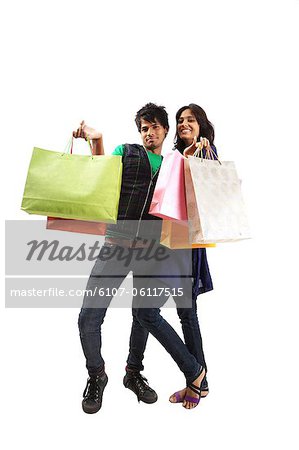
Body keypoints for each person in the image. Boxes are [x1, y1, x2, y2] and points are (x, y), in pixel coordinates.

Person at [74, 103, 206, 413]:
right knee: (89, 317)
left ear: (165, 130)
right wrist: (96, 140)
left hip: (153, 251)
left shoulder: (174, 162)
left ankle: (133, 373)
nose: (149, 132)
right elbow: (102, 173)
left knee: (142, 316)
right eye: (144, 128)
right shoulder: (127, 151)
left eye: (154, 127)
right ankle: (97, 375)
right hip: (117, 244)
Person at [167, 103, 217, 404]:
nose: (184, 124)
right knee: (183, 314)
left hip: (188, 246)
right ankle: (200, 381)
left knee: (187, 314)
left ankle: (196, 380)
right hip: (171, 242)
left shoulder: (207, 154)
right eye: (180, 120)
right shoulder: (176, 156)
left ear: (201, 126)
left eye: (190, 120)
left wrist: (201, 155)